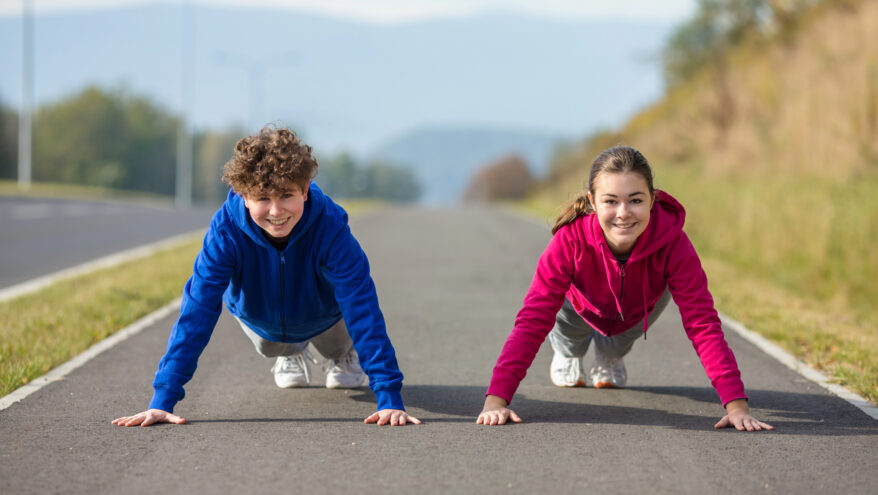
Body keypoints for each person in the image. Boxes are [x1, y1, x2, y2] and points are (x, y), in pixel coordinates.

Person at [113, 126, 419, 427]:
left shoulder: (330, 228)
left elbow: (361, 306)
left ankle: (342, 356)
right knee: (273, 344)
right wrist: (162, 400)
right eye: (262, 198)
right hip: (263, 319)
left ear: (305, 190)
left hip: (326, 315)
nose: (276, 211)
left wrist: (389, 396)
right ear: (243, 196)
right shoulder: (225, 233)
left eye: (287, 195)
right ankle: (290, 354)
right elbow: (198, 310)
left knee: (337, 345)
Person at [476, 146, 772, 432]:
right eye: (611, 201)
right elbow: (533, 319)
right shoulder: (570, 240)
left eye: (635, 200)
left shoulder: (674, 243)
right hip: (576, 308)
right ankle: (568, 354)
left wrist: (737, 408)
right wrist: (496, 401)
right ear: (592, 201)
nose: (623, 213)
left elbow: (702, 323)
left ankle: (609, 355)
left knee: (615, 342)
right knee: (570, 340)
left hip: (631, 312)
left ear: (653, 199)